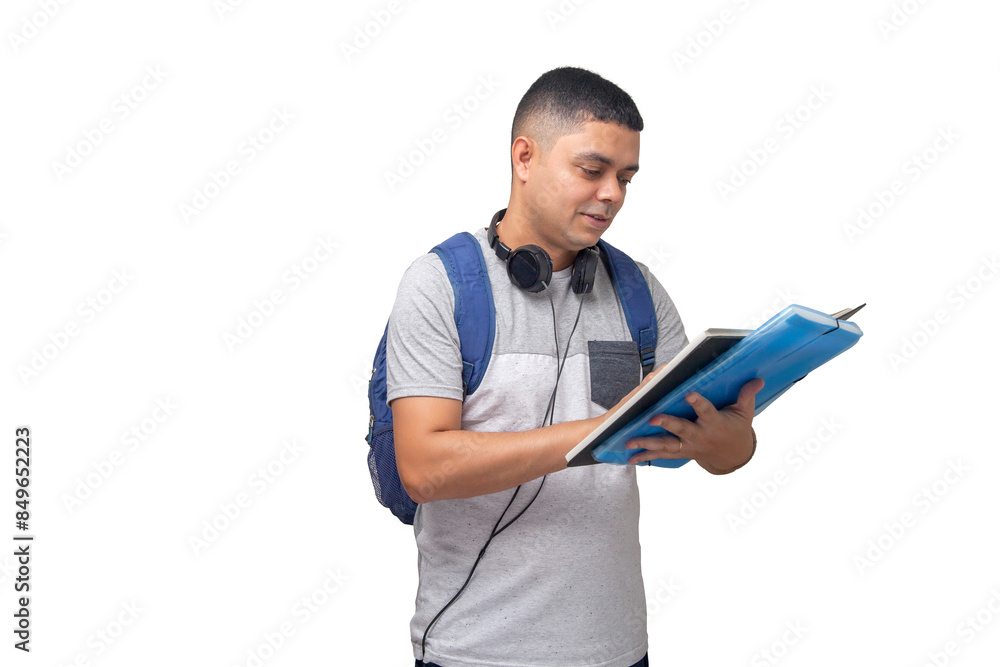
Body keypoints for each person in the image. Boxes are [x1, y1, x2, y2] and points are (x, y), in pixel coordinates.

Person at [385, 66, 763, 667]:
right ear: (525, 157)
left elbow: (717, 454)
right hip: (473, 655)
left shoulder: (639, 290)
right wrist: (602, 431)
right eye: (592, 170)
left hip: (617, 650)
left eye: (626, 178)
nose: (613, 194)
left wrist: (730, 442)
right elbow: (424, 469)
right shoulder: (440, 286)